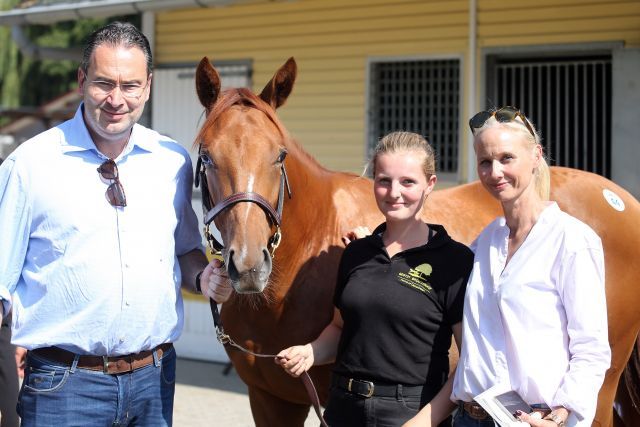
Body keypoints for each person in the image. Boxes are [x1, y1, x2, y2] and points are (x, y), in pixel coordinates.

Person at [0, 22, 230, 426]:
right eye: (104, 83)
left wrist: (203, 279)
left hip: (154, 379)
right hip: (64, 387)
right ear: (81, 79)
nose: (116, 99)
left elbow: (185, 252)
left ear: (148, 86)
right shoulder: (29, 165)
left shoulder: (171, 161)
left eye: (130, 86)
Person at [273, 131, 474, 426]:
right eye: (384, 180)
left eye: (408, 181)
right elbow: (340, 328)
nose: (394, 192)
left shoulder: (454, 260)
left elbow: (469, 361)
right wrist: (310, 351)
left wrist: (423, 423)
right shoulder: (356, 252)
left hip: (410, 412)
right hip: (342, 408)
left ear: (429, 184)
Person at [445, 106, 610, 427]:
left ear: (536, 155)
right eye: (485, 162)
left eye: (506, 158)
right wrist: (379, 242)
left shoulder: (572, 240)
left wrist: (563, 411)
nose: (494, 172)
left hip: (537, 418)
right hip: (471, 416)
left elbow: (591, 347)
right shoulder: (486, 241)